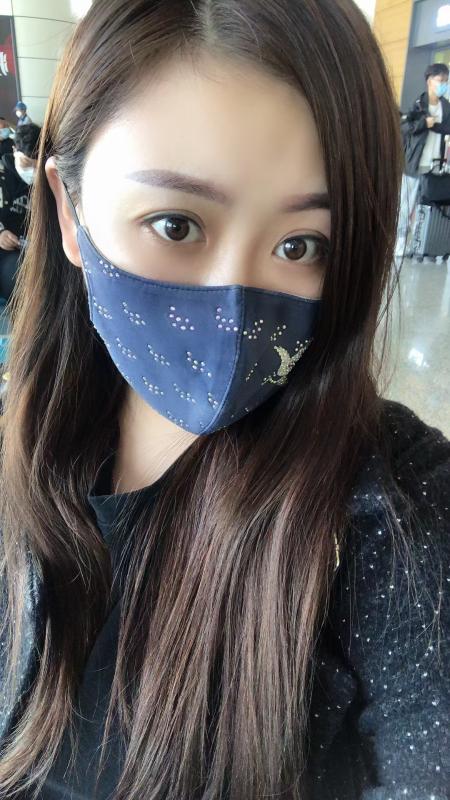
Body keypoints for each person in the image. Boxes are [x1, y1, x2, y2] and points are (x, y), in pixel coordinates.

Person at [0, 1, 449, 799]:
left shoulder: (400, 509)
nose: (234, 302)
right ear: (70, 212)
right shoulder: (28, 451)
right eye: (176, 224)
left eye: (300, 245)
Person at [396, 62, 450, 257]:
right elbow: (403, 128)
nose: (443, 85)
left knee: (423, 206)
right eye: (440, 80)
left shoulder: (446, 106)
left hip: (433, 167)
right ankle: (399, 244)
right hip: (414, 163)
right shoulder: (418, 104)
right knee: (405, 206)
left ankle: (419, 244)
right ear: (429, 81)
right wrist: (423, 123)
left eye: (446, 81)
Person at [0, 123, 40, 302]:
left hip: (31, 248)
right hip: (5, 249)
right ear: (15, 150)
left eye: (36, 165)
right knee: (18, 280)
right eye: (27, 163)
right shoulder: (3, 174)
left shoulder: (44, 177)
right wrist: (1, 232)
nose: (32, 172)